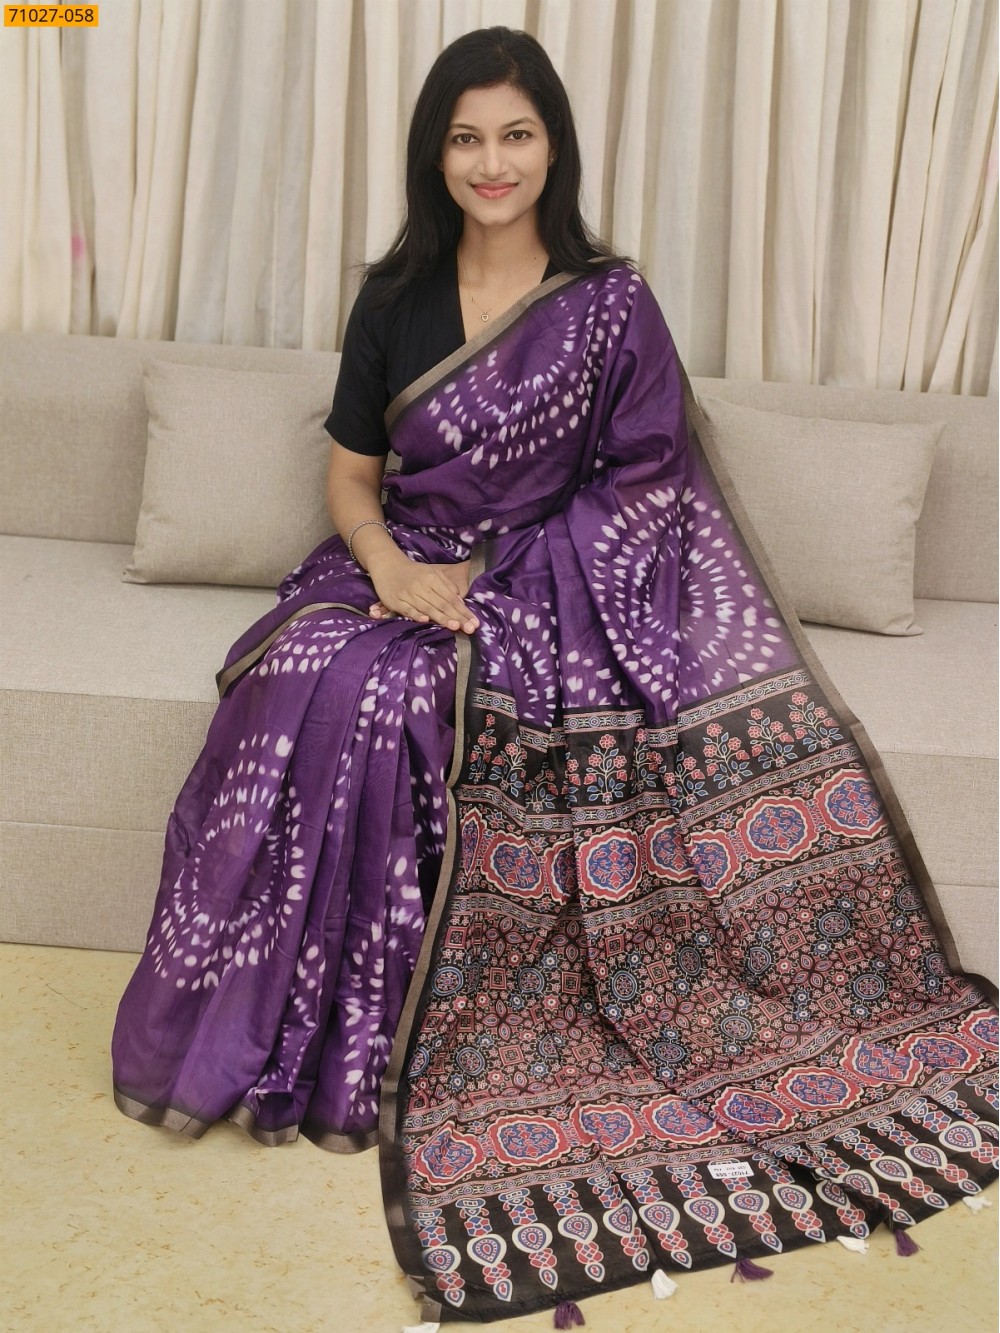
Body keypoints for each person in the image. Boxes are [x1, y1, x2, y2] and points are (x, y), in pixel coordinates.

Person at [113, 26, 996, 1329]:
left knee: (422, 700)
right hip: (395, 561)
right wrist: (392, 569)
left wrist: (510, 583)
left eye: (516, 135)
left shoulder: (610, 302)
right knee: (312, 677)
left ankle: (425, 1021)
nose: (493, 161)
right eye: (466, 137)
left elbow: (645, 484)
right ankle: (302, 1024)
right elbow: (352, 476)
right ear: (435, 154)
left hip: (556, 586)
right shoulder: (394, 299)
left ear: (554, 148)